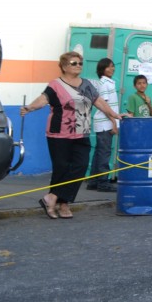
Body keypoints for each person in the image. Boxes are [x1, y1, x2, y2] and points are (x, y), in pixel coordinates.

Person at [19, 51, 122, 219]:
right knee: (61, 169)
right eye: (74, 63)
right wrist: (29, 108)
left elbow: (99, 101)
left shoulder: (86, 84)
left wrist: (114, 114)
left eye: (80, 63)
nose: (79, 66)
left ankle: (52, 198)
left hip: (82, 133)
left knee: (80, 167)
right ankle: (62, 204)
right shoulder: (55, 85)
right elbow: (43, 99)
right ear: (64, 66)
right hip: (59, 134)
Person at [88, 57, 120, 192]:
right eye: (108, 67)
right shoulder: (105, 84)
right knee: (104, 153)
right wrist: (113, 122)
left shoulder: (108, 82)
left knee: (99, 152)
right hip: (105, 122)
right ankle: (103, 182)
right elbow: (104, 106)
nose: (111, 69)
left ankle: (93, 181)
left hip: (103, 122)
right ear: (102, 69)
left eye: (113, 66)